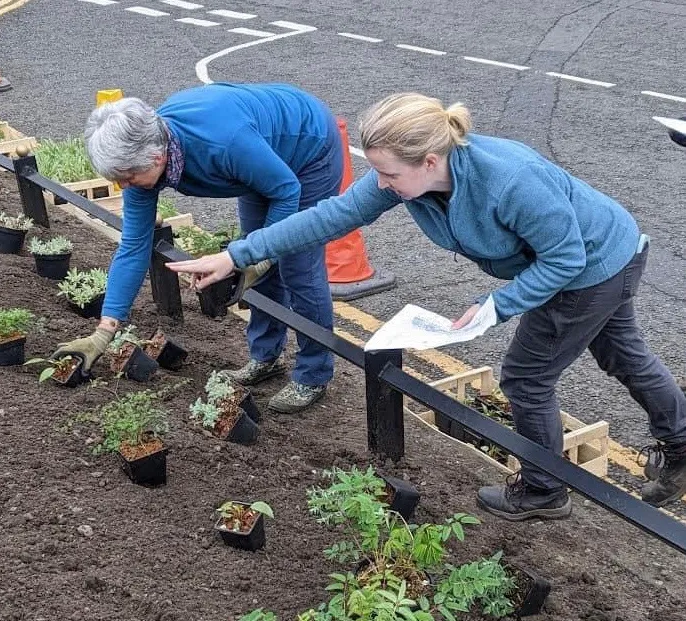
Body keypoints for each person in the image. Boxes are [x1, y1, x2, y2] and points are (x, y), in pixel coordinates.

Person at [167, 92, 686, 519]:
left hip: (592, 266)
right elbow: (331, 216)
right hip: (598, 253)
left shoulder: (508, 180)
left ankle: (544, 490)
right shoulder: (411, 178)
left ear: (430, 161)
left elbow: (565, 258)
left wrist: (496, 306)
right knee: (622, 354)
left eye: (388, 174)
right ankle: (681, 443)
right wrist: (237, 255)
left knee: (527, 377)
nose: (380, 183)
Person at [54, 83, 344, 413]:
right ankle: (265, 358)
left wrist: (260, 258)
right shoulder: (143, 159)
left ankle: (313, 374)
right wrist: (104, 331)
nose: (123, 186)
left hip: (308, 150)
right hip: (261, 160)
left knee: (296, 265)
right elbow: (134, 246)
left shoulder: (223, 143)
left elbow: (286, 189)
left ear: (157, 156)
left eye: (128, 176)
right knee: (252, 258)